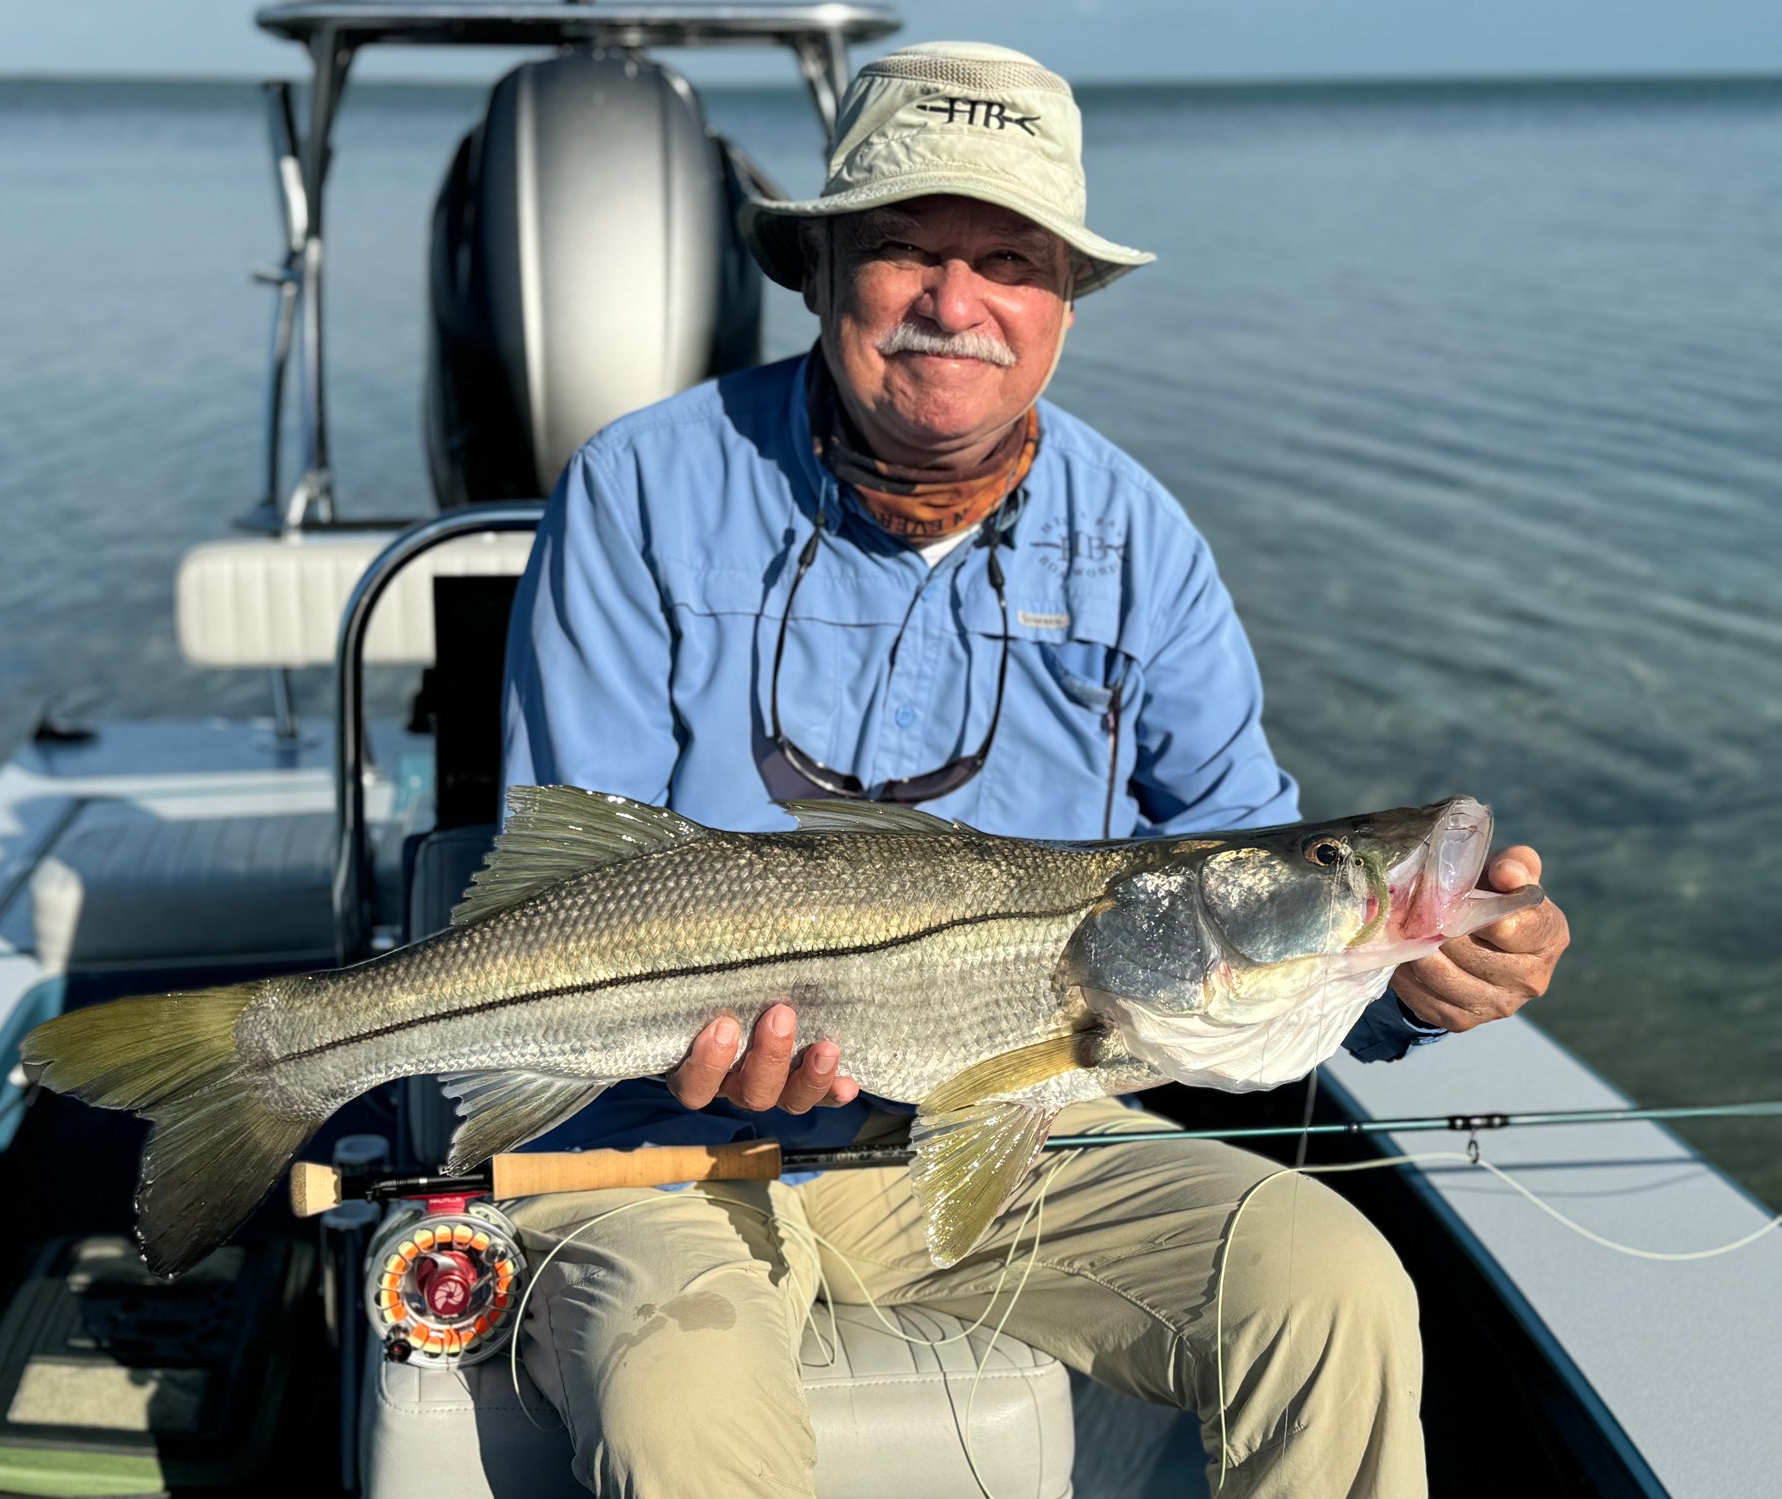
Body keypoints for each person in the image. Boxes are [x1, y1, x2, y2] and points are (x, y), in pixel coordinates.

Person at [499, 40, 1569, 1497]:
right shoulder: (639, 486)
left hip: (1021, 1127)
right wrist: (686, 1044)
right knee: (677, 1399)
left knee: (1335, 1283)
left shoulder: (1143, 545)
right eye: (902, 251)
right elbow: (589, 877)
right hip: (657, 1138)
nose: (957, 304)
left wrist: (1419, 977)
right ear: (818, 272)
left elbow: (1245, 884)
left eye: (1011, 260)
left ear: (1065, 302)